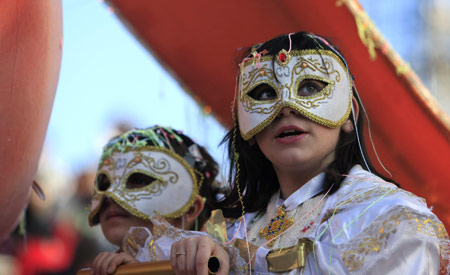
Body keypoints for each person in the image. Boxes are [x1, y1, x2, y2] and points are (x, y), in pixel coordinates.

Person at [169, 32, 450, 274]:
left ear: (348, 115)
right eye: (264, 93)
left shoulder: (390, 218)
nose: (286, 107)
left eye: (311, 87)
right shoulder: (226, 229)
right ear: (247, 128)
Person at [87, 125, 220, 275]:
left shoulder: (211, 264)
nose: (110, 195)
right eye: (104, 185)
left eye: (138, 180)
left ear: (190, 208)